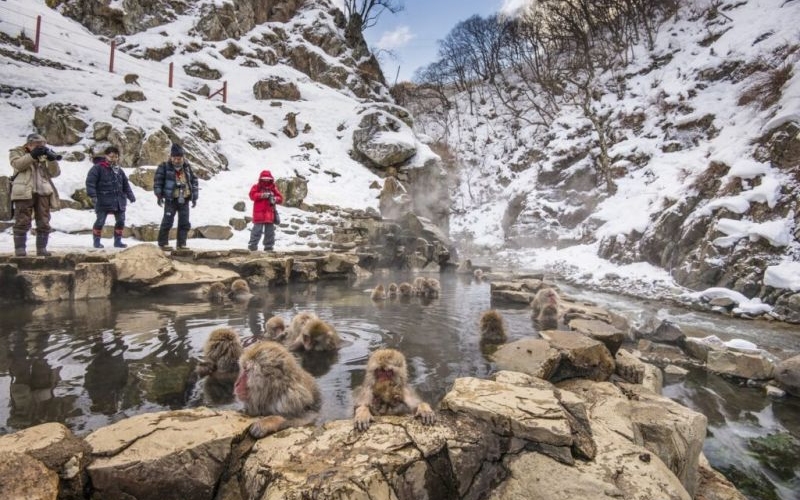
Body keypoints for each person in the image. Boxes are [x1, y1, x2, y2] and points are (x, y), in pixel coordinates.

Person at [8, 133, 61, 257]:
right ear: (29, 144)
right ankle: (20, 249)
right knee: (22, 220)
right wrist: (32, 155)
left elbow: (55, 173)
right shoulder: (17, 151)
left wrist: (52, 159)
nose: (41, 147)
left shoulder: (45, 155)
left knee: (44, 221)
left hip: (43, 191)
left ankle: (41, 249)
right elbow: (18, 165)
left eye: (43, 144)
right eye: (38, 145)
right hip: (24, 191)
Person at [85, 146, 136, 249]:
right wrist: (93, 196)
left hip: (119, 201)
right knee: (100, 221)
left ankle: (118, 242)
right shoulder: (97, 168)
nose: (113, 158)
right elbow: (90, 183)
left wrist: (131, 196)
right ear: (106, 156)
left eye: (116, 157)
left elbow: (125, 184)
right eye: (111, 156)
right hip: (102, 200)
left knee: (121, 221)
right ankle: (96, 242)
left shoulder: (119, 170)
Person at [153, 143, 198, 250]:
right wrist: (159, 196)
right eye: (175, 158)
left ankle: (181, 244)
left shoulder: (187, 167)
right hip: (171, 199)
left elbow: (194, 181)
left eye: (179, 158)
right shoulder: (163, 167)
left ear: (183, 158)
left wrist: (194, 197)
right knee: (167, 221)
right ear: (171, 157)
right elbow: (157, 182)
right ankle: (163, 243)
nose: (177, 160)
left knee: (184, 223)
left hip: (185, 199)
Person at [248, 170, 283, 251]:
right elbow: (252, 195)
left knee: (270, 232)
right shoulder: (256, 187)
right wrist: (262, 195)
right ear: (261, 178)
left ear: (270, 179)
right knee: (257, 230)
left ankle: (269, 247)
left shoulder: (273, 188)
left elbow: (280, 199)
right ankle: (252, 245)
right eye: (264, 178)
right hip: (259, 213)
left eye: (268, 178)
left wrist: (275, 198)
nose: (266, 180)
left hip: (269, 214)